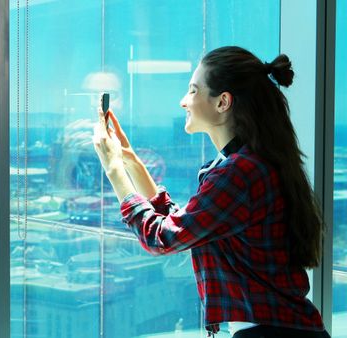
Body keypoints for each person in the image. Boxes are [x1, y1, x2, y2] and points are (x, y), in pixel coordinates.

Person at [92, 46, 331, 338]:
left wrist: (114, 169)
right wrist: (131, 161)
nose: (183, 101)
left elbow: (164, 237)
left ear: (223, 102)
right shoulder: (248, 163)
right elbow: (189, 227)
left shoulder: (239, 173)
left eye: (193, 91)